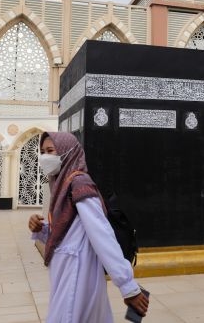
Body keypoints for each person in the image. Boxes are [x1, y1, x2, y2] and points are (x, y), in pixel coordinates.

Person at [28, 132, 149, 322]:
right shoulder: (62, 184)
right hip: (66, 272)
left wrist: (127, 286)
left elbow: (102, 235)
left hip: (77, 274)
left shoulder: (79, 184)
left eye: (51, 151)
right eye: (43, 152)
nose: (45, 157)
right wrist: (41, 230)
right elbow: (68, 233)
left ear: (67, 152)